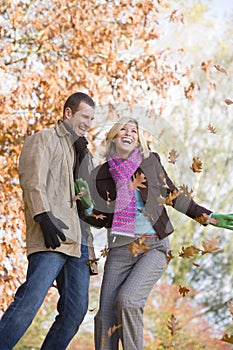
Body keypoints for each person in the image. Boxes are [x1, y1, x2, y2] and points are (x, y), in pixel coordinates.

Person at [83, 117, 233, 350]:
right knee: (105, 317)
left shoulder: (150, 163)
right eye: (123, 129)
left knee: (128, 301)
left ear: (138, 139)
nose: (129, 133)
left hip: (154, 247)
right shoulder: (100, 175)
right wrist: (88, 207)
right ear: (113, 136)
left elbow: (172, 195)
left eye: (134, 130)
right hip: (120, 249)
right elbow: (102, 218)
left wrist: (208, 216)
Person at [0, 92, 98, 350]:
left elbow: (88, 197)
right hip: (52, 232)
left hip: (80, 242)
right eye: (84, 116)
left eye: (91, 119)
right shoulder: (43, 139)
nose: (88, 123)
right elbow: (32, 180)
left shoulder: (83, 153)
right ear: (68, 113)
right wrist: (42, 216)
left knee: (75, 312)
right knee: (29, 302)